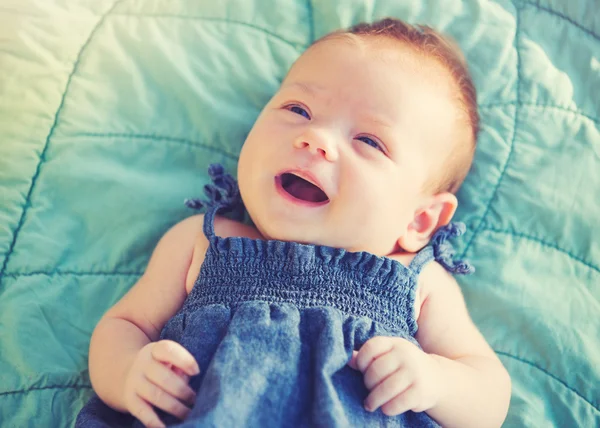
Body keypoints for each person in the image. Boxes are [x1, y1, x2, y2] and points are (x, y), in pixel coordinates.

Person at [76, 18, 511, 428]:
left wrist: (433, 379)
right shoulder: (203, 240)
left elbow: (489, 394)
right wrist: (129, 371)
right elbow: (124, 326)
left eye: (368, 140)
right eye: (298, 109)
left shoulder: (418, 281)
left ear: (420, 219)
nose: (315, 138)